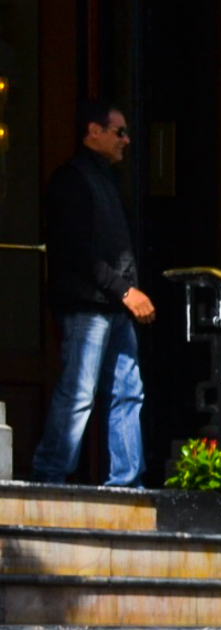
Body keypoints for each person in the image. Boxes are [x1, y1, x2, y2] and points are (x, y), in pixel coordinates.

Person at [32, 99, 151, 487]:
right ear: (93, 132)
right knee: (79, 393)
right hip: (89, 306)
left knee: (128, 392)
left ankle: (126, 482)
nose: (127, 140)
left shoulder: (106, 180)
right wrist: (125, 291)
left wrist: (123, 294)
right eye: (119, 132)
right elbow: (78, 251)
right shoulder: (72, 179)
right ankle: (50, 476)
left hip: (113, 306)